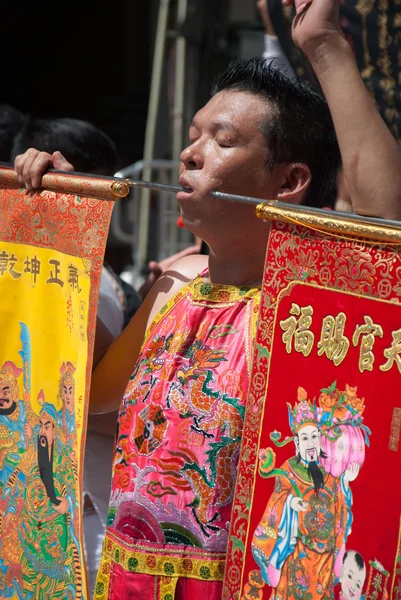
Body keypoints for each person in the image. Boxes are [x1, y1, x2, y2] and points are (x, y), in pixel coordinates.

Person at [15, 0, 401, 596]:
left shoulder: (307, 310)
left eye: (220, 141)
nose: (190, 154)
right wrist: (61, 238)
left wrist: (324, 45)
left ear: (290, 181)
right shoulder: (174, 286)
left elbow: (386, 225)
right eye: (193, 136)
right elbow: (88, 394)